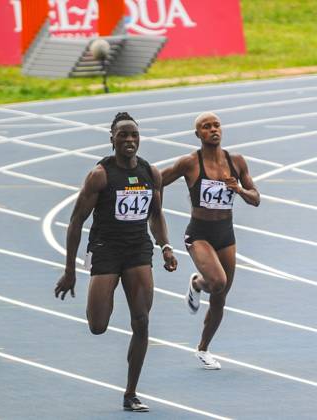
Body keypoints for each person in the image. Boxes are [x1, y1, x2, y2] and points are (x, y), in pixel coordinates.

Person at [54, 112, 178, 411]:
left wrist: (165, 246)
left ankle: (131, 393)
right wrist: (69, 270)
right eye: (123, 135)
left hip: (138, 251)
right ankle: (99, 304)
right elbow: (75, 222)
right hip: (106, 250)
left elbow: (155, 214)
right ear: (112, 138)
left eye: (134, 134)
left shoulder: (151, 173)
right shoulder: (100, 175)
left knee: (142, 321)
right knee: (98, 325)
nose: (129, 140)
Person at [160, 112, 260, 370]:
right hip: (199, 233)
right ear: (198, 134)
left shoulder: (236, 161)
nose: (213, 130)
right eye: (206, 127)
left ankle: (203, 349)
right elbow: (158, 180)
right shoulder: (189, 163)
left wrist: (238, 189)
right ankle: (197, 282)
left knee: (220, 296)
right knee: (217, 282)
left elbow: (256, 197)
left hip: (225, 233)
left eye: (216, 125)